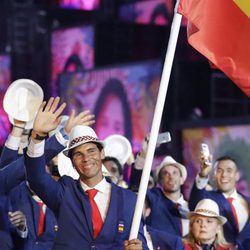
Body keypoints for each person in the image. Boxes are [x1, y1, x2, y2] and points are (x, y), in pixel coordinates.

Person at [24, 97, 147, 249]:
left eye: (91, 151)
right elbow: (36, 177)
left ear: (102, 153)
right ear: (72, 161)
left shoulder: (128, 199)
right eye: (78, 154)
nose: (86, 158)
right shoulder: (64, 191)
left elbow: (140, 242)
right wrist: (37, 137)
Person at [189, 153, 250, 248]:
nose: (224, 175)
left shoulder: (248, 202)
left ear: (237, 175)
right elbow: (194, 202)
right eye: (219, 171)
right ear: (214, 175)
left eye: (229, 170)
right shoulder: (207, 199)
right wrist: (203, 174)